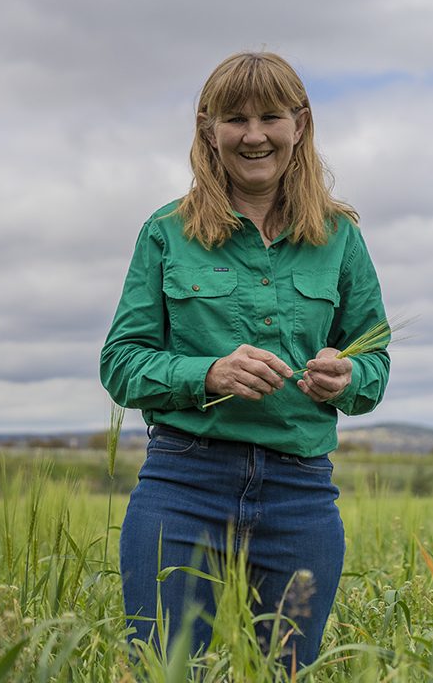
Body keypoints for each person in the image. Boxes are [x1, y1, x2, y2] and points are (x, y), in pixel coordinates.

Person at [99, 51, 390, 669]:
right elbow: (120, 363)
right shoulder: (165, 232)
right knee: (164, 671)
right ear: (208, 127)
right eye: (235, 119)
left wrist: (347, 376)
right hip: (183, 485)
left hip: (301, 493)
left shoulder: (341, 237)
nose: (253, 135)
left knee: (284, 674)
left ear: (300, 124)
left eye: (270, 117)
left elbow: (375, 367)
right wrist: (205, 373)